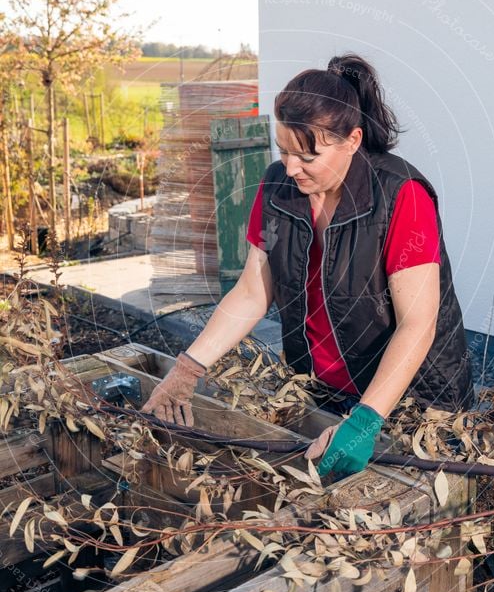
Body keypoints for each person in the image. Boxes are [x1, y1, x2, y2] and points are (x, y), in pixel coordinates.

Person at [142, 53, 475, 479]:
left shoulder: (400, 196)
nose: (291, 167)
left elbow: (418, 324)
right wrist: (187, 369)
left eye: (308, 155)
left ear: (352, 141)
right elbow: (251, 292)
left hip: (413, 405)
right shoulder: (277, 188)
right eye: (283, 150)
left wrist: (366, 420)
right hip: (325, 391)